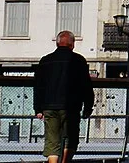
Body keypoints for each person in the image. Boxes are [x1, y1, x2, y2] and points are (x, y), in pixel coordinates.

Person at [32, 30, 95, 163]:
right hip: (71, 107)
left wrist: (38, 108)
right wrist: (88, 106)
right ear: (72, 44)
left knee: (52, 142)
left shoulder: (45, 61)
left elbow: (38, 86)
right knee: (70, 140)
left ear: (57, 43)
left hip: (49, 106)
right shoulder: (78, 60)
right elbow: (86, 86)